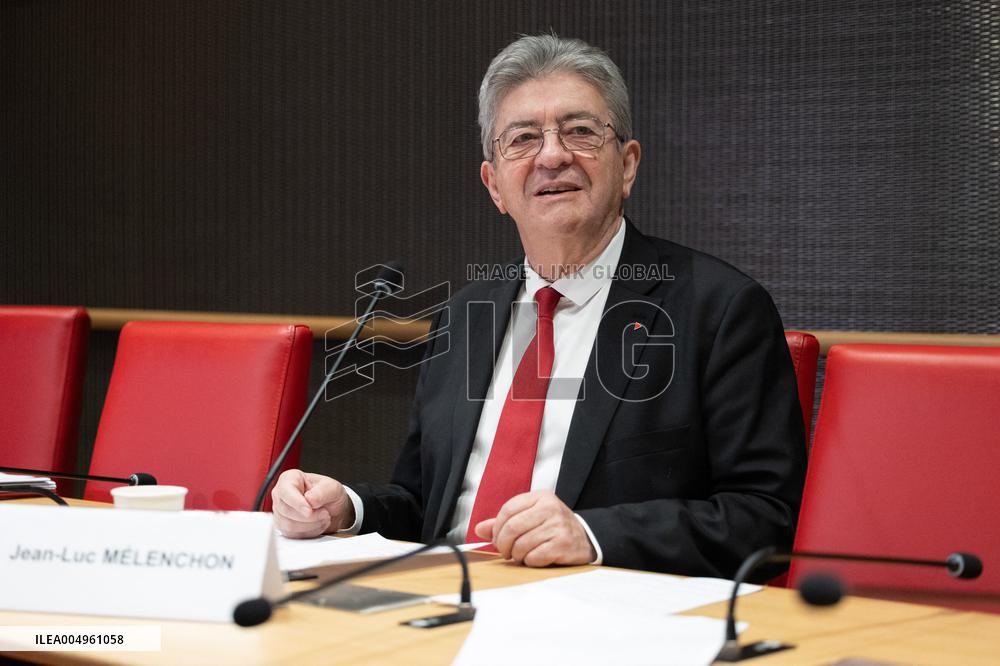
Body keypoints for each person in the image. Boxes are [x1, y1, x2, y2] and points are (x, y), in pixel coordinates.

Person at [271, 34, 807, 578]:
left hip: (603, 616)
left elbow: (765, 516)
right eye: (524, 138)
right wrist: (348, 509)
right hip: (441, 604)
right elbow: (424, 504)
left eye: (579, 131)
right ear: (495, 186)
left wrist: (594, 536)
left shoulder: (717, 310)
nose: (552, 155)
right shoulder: (464, 316)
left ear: (627, 166)